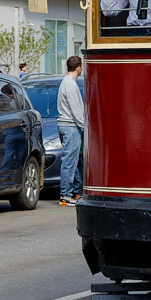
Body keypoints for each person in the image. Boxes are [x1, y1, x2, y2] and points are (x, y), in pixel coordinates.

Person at [57, 55, 85, 206]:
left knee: (73, 161)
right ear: (79, 67)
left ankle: (75, 192)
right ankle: (65, 196)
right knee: (69, 162)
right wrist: (84, 126)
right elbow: (76, 109)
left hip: (65, 125)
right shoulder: (71, 85)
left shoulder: (65, 82)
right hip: (71, 126)